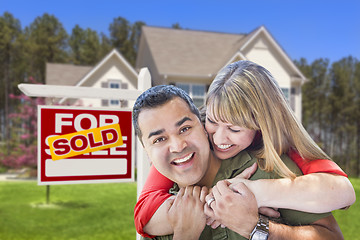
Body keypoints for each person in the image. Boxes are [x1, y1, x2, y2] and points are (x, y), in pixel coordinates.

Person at [135, 61, 355, 238]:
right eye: (212, 121)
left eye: (234, 128)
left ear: (261, 125)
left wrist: (254, 195)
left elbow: (343, 192)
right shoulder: (187, 142)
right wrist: (210, 205)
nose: (219, 137)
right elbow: (143, 212)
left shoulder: (274, 155)